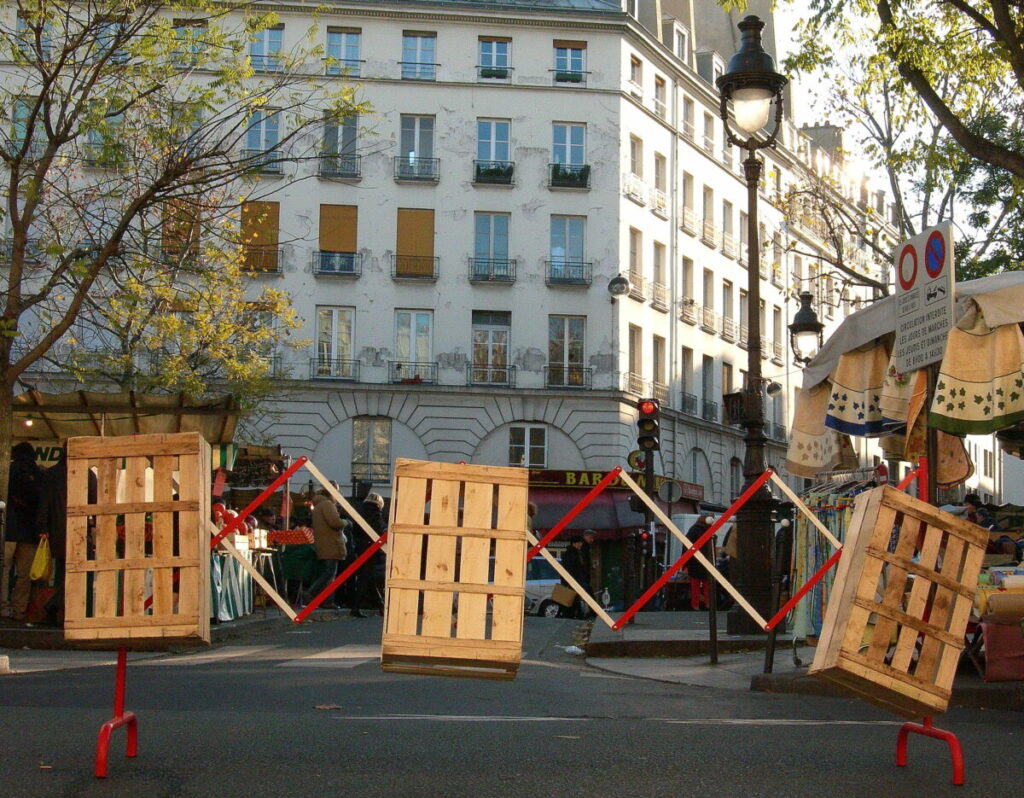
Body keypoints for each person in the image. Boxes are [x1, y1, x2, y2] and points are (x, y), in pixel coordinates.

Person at [5, 442, 42, 623]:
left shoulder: (8, 470)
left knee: (3, 570)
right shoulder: (39, 473)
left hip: (8, 529)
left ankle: (3, 609)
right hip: (30, 531)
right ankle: (19, 610)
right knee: (24, 575)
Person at [301, 488, 349, 609]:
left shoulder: (318, 506)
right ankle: (311, 593)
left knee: (329, 574)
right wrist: (346, 522)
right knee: (329, 573)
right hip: (331, 543)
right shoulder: (327, 505)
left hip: (323, 543)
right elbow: (335, 523)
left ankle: (328, 601)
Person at [349, 492, 386, 617]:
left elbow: (354, 529)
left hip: (360, 547)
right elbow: (380, 530)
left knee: (367, 577)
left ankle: (380, 605)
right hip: (371, 548)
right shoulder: (376, 513)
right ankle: (358, 607)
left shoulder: (360, 511)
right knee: (366, 578)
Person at [559, 535, 589, 619]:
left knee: (575, 598)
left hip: (578, 579)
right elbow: (570, 568)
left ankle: (576, 614)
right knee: (572, 598)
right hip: (573, 580)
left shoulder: (578, 553)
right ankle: (576, 614)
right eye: (579, 543)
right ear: (574, 543)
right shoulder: (571, 554)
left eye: (581, 543)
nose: (580, 545)